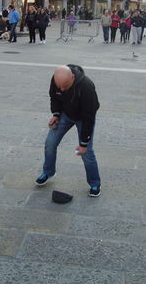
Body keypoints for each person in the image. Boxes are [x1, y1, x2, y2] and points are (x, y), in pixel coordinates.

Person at [35, 64, 101, 197]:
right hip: (65, 114)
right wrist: (56, 114)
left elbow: (89, 118)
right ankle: (48, 172)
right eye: (59, 86)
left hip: (83, 118)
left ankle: (94, 183)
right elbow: (54, 97)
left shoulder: (86, 87)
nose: (62, 89)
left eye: (65, 86)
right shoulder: (57, 80)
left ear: (73, 77)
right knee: (50, 143)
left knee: (86, 153)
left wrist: (83, 144)